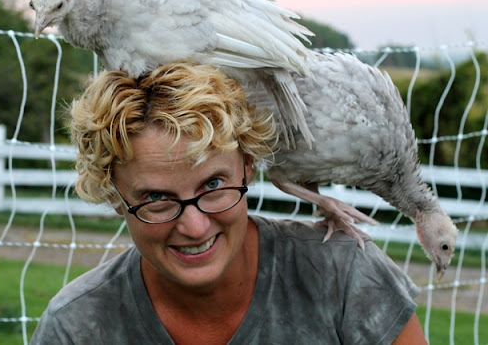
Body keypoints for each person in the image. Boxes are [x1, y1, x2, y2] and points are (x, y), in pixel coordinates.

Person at [30, 61, 425, 344]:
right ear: (115, 197)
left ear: (248, 166)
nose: (195, 227)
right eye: (155, 198)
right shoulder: (76, 328)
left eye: (213, 184)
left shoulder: (345, 278)